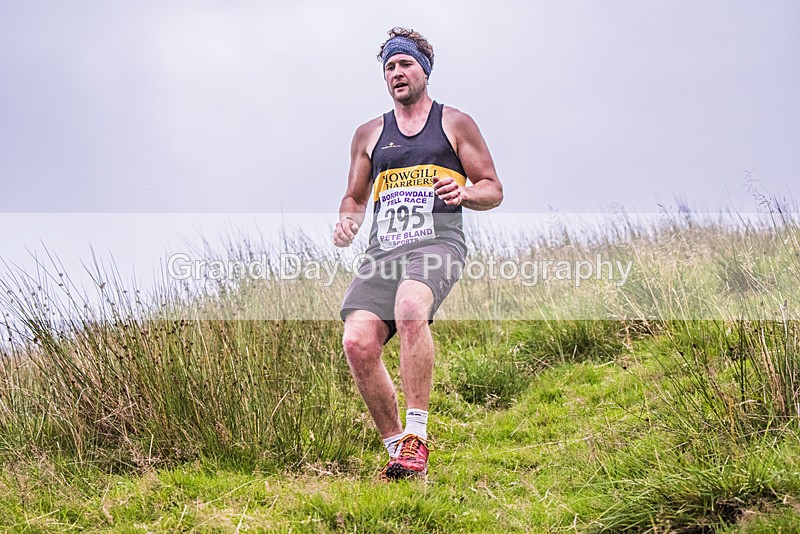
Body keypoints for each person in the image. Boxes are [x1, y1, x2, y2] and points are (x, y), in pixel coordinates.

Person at [333, 27, 503, 481]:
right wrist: (348, 219)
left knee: (411, 308)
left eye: (404, 64)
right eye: (389, 67)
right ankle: (400, 454)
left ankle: (417, 434)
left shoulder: (454, 123)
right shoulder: (368, 134)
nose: (396, 73)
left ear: (424, 70)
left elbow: (493, 189)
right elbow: (354, 196)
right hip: (382, 252)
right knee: (357, 343)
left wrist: (465, 191)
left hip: (436, 243)